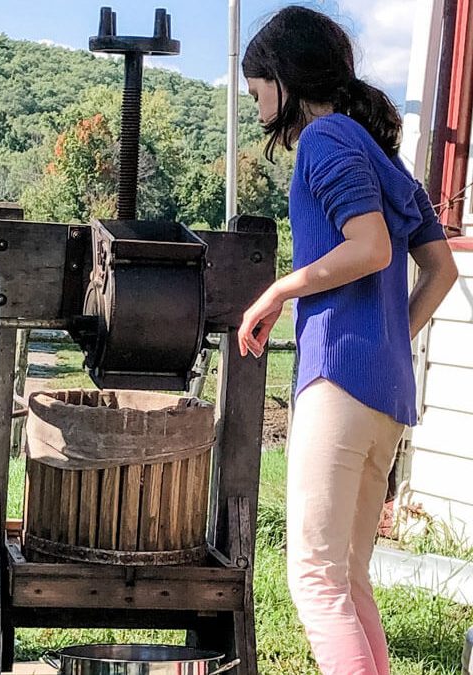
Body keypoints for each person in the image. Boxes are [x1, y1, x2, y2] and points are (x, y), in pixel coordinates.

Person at [238, 7, 458, 675]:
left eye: (257, 91)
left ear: (284, 77)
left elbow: (370, 247)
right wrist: (388, 340)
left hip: (336, 382)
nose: (257, 109)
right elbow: (442, 270)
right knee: (349, 579)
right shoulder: (384, 158)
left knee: (314, 577)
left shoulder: (326, 138)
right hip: (386, 393)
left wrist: (279, 290)